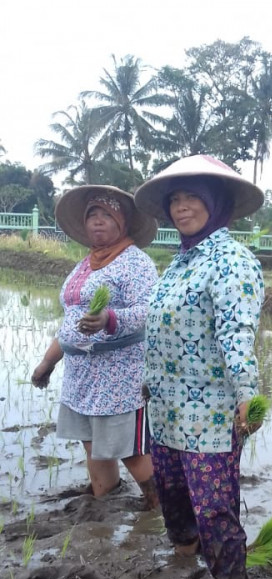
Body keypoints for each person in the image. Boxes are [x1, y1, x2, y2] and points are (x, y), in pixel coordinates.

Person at [134, 154, 265, 579]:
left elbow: (236, 331)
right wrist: (147, 382)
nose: (182, 207)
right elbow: (158, 329)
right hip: (168, 409)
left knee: (213, 507)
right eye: (175, 199)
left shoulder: (232, 261)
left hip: (210, 413)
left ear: (216, 202)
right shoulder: (179, 263)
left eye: (193, 197)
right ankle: (183, 566)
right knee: (173, 496)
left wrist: (248, 391)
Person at [32, 185, 159, 508]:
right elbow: (70, 321)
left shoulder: (136, 262)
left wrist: (109, 319)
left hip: (118, 372)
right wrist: (48, 362)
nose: (98, 222)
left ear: (122, 222)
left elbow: (150, 312)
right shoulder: (84, 265)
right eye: (92, 216)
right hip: (80, 375)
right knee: (92, 444)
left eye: (107, 215)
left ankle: (163, 508)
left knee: (129, 447)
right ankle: (105, 506)